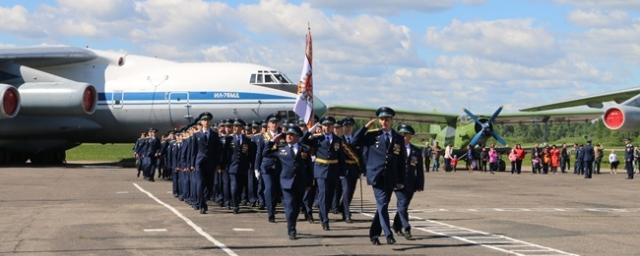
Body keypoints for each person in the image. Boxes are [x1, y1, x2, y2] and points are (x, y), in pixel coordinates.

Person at [352, 106, 405, 246]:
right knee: (382, 205)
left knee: (382, 206)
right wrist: (365, 126)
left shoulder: (398, 138)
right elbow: (353, 142)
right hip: (376, 176)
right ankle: (388, 234)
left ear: (392, 120)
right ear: (379, 121)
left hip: (391, 177)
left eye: (387, 119)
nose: (384, 122)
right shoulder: (371, 135)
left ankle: (374, 234)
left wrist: (401, 180)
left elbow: (401, 161)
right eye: (382, 119)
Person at [263, 125, 312, 240]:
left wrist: (309, 182)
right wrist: (272, 141)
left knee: (296, 208)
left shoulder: (304, 149)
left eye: (291, 134)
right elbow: (266, 153)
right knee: (289, 207)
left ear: (297, 137)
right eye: (287, 135)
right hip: (286, 182)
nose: (288, 136)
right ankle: (291, 230)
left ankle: (292, 225)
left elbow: (309, 167)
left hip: (300, 182)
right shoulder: (281, 149)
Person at [302, 116, 345, 231]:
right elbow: (302, 141)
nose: (327, 127)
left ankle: (322, 215)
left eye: (330, 125)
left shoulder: (338, 140)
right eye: (325, 125)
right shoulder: (317, 139)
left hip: (334, 171)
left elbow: (341, 157)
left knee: (329, 197)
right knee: (323, 194)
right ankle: (325, 220)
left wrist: (342, 172)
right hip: (321, 170)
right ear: (322, 127)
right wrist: (311, 129)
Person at [392, 124, 424, 240]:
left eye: (406, 135)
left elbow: (419, 169)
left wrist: (420, 184)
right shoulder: (395, 149)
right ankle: (407, 229)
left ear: (410, 136)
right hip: (398, 182)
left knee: (403, 206)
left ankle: (396, 225)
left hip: (411, 183)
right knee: (403, 205)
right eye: (402, 134)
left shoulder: (416, 150)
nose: (404, 137)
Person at [254, 114, 282, 222]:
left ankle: (273, 207)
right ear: (268, 124)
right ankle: (271, 213)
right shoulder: (263, 136)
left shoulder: (282, 136)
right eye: (272, 123)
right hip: (266, 166)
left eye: (275, 122)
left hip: (279, 165)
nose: (274, 124)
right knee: (269, 189)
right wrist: (256, 168)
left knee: (276, 190)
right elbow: (259, 153)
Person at [193, 113, 221, 214]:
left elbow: (218, 150)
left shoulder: (214, 134)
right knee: (200, 184)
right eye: (204, 120)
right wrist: (192, 164)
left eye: (208, 120)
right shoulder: (196, 135)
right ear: (201, 122)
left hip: (211, 163)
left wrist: (218, 164)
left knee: (209, 185)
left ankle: (205, 198)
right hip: (199, 163)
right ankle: (202, 205)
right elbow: (194, 151)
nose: (206, 122)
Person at [226, 118, 252, 214]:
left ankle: (237, 201)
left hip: (243, 167)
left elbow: (250, 153)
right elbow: (226, 153)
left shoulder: (247, 140)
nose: (235, 128)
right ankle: (235, 205)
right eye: (234, 126)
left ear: (241, 128)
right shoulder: (229, 139)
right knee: (234, 186)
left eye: (237, 126)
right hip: (232, 167)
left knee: (240, 187)